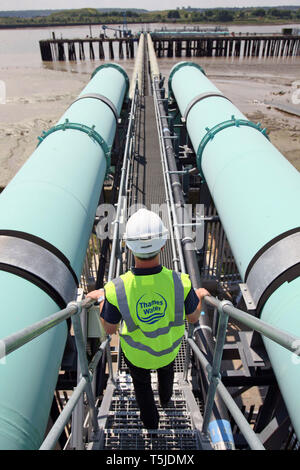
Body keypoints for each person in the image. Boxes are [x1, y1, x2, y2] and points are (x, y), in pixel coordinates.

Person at [87, 208, 209, 430]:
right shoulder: (181, 282)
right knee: (166, 374)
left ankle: (152, 425)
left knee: (142, 387)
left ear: (128, 246)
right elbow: (193, 318)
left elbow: (109, 328)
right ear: (163, 245)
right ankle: (165, 399)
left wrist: (103, 298)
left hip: (137, 356)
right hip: (168, 350)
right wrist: (199, 297)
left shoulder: (116, 288)